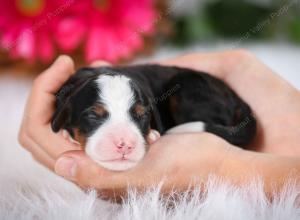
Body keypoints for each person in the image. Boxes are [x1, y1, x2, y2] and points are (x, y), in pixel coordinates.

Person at [18, 50, 300, 197]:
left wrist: (222, 167)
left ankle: (214, 129)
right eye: (95, 116)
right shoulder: (71, 98)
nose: (123, 140)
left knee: (186, 90)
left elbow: (155, 115)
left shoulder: (151, 96)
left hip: (208, 98)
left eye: (138, 116)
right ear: (63, 120)